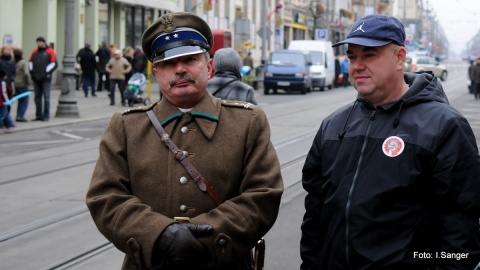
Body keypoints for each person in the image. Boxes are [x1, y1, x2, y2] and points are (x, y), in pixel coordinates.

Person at [86, 12, 283, 270]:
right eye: (168, 63)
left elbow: (263, 195)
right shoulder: (126, 127)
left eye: (189, 59)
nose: (179, 69)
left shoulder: (248, 122)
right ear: (156, 72)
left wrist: (207, 238)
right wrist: (159, 236)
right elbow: (106, 198)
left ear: (209, 66)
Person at [300, 14, 480, 270]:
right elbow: (314, 217)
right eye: (352, 57)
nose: (357, 65)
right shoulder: (333, 125)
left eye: (369, 55)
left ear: (399, 57)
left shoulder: (444, 126)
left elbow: (461, 234)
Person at [29, 36, 57, 122]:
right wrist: (32, 72)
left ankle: (46, 115)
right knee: (37, 97)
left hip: (46, 78)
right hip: (36, 77)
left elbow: (53, 63)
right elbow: (30, 62)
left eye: (41, 42)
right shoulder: (34, 52)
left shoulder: (50, 51)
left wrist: (46, 73)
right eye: (38, 42)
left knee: (46, 97)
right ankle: (38, 115)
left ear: (44, 42)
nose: (39, 43)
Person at [13, 47, 31, 122]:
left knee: (18, 100)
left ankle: (18, 114)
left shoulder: (12, 62)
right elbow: (26, 73)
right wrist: (28, 82)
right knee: (24, 100)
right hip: (22, 83)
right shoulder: (23, 62)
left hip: (14, 83)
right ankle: (20, 115)